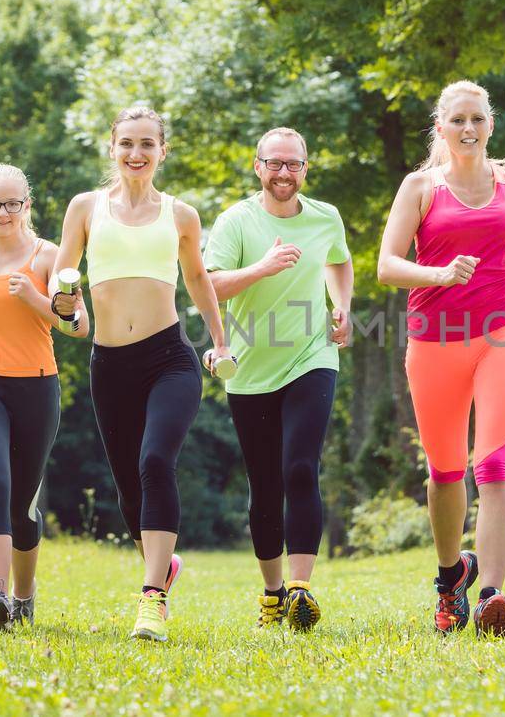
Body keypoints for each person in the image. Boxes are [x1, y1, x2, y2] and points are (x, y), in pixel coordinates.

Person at [377, 81, 505, 637]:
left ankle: (491, 597)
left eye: (477, 119)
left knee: (495, 466)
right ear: (441, 127)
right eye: (457, 120)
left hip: (504, 334)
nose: (468, 129)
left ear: (490, 124)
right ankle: (450, 577)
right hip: (434, 341)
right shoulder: (420, 187)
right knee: (445, 471)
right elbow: (386, 265)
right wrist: (436, 272)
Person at [51, 105, 232, 642]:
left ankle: (152, 598)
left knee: (156, 460)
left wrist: (219, 342)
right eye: (126, 143)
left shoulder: (181, 214)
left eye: (147, 144)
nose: (136, 154)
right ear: (112, 148)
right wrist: (64, 304)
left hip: (168, 359)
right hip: (109, 363)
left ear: (162, 151)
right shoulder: (85, 208)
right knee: (130, 487)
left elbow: (198, 280)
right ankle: (165, 565)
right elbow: (65, 282)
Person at [205, 127, 353, 631]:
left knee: (300, 467)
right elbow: (211, 282)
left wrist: (343, 308)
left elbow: (339, 260)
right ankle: (272, 592)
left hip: (312, 357)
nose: (284, 173)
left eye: (294, 164)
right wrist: (264, 267)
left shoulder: (325, 217)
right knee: (264, 486)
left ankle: (301, 590)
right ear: (258, 166)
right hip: (250, 370)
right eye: (275, 163)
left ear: (305, 169)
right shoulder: (237, 221)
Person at [0, 163, 87, 631]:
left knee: (23, 504)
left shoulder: (49, 258)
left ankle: (24, 596)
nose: (2, 212)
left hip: (36, 387)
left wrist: (35, 299)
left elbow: (79, 327)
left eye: (11, 203)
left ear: (26, 205)